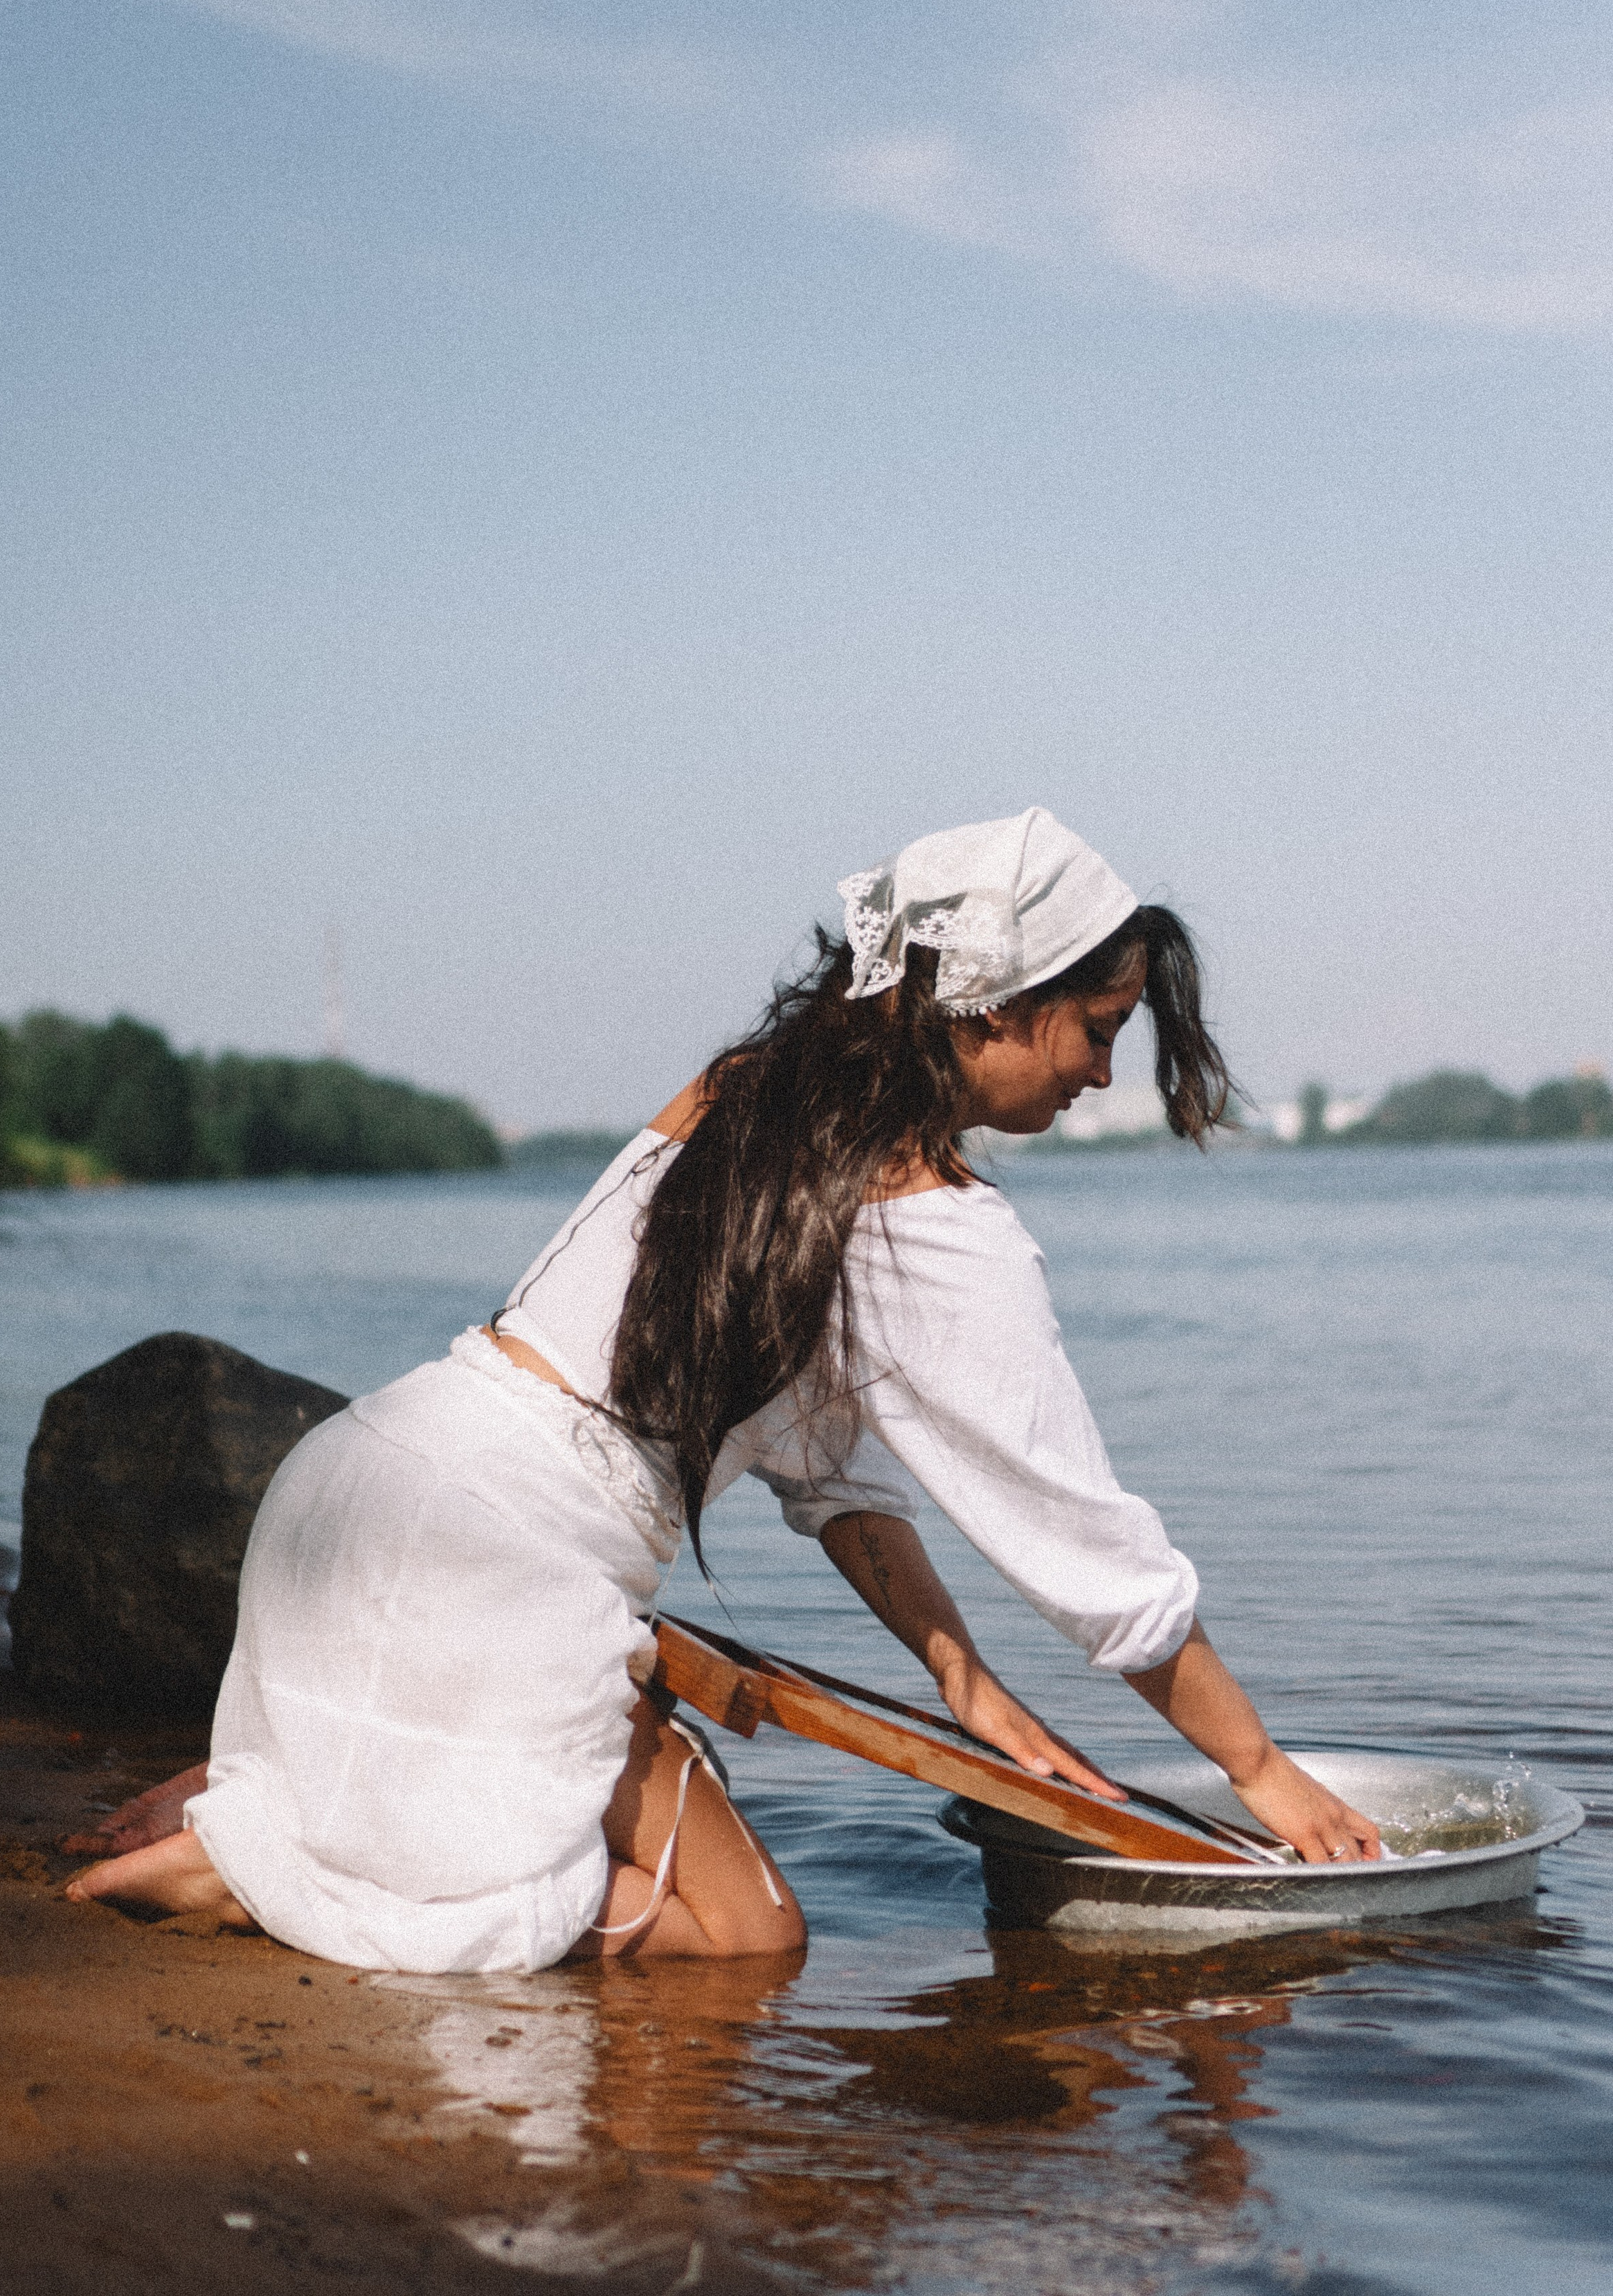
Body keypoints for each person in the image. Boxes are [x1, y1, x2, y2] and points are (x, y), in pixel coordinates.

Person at [68, 808, 1380, 1965]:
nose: (1101, 1074)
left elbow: (825, 1471)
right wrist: (1262, 1773)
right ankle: (267, 1875)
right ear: (993, 1001)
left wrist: (964, 1681)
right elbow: (1092, 1556)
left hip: (354, 1488)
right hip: (494, 1573)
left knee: (569, 1807)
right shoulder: (935, 1220)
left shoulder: (747, 1095)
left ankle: (318, 1803)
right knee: (749, 1942)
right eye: (1096, 1033)